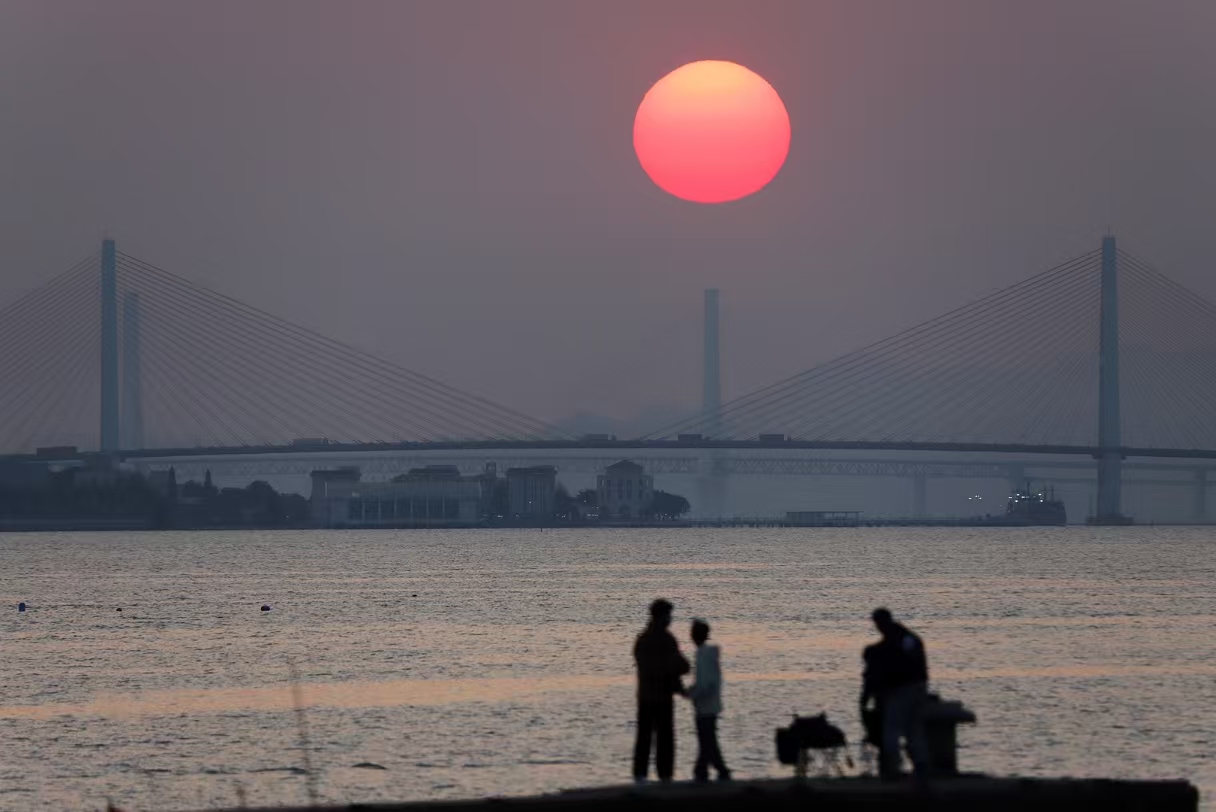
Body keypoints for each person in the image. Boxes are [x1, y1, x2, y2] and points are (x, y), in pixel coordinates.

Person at [859, 607, 930, 779]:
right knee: (913, 729)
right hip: (918, 687)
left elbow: (875, 676)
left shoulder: (891, 646)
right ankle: (920, 766)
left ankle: (893, 769)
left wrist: (865, 698)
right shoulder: (908, 638)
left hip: (903, 690)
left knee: (892, 729)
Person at [632, 598, 690, 784]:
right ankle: (665, 776)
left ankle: (640, 775)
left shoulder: (642, 639)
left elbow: (647, 666)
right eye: (668, 615)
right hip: (662, 696)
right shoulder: (667, 639)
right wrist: (677, 685)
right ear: (662, 616)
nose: (670, 619)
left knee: (644, 736)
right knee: (665, 737)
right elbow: (682, 666)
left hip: (646, 696)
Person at [686, 618, 731, 783]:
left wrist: (693, 694)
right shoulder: (704, 654)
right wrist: (692, 692)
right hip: (707, 704)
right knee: (707, 739)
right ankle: (704, 770)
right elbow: (704, 682)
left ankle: (710, 770)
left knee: (707, 740)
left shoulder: (704, 655)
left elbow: (705, 683)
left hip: (706, 705)